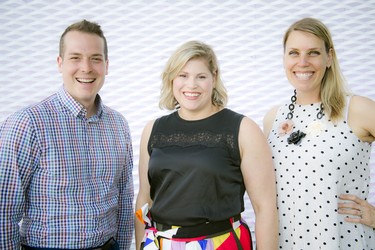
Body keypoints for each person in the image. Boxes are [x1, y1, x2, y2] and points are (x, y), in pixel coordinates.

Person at [0, 19, 134, 250]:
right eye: (75, 58)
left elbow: (124, 201)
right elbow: (4, 213)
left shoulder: (118, 125)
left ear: (107, 65)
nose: (86, 67)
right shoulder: (27, 124)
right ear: (59, 63)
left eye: (95, 58)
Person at [134, 40, 278, 250]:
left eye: (201, 76)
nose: (191, 85)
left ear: (214, 78)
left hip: (222, 242)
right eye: (183, 75)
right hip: (160, 244)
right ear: (172, 79)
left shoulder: (243, 129)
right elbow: (144, 199)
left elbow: (264, 207)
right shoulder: (153, 130)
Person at [263, 17, 375, 249]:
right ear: (284, 58)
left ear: (329, 58)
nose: (302, 62)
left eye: (313, 52)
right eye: (293, 53)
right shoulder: (274, 119)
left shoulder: (357, 109)